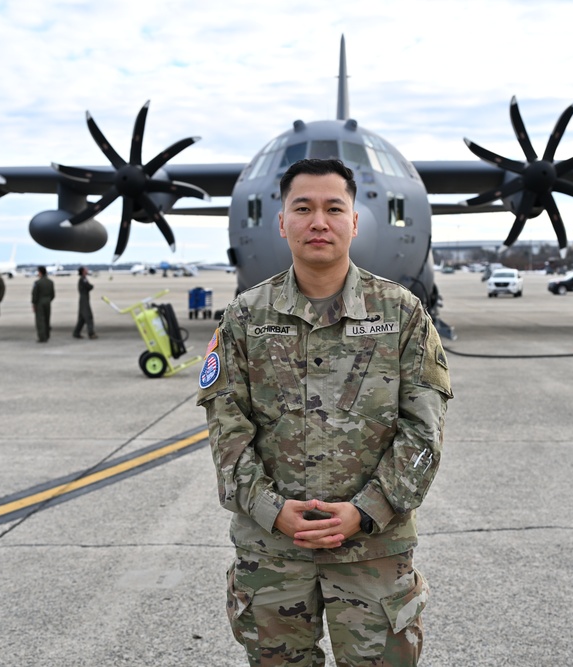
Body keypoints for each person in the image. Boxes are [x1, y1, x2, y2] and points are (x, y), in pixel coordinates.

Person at [196, 158, 452, 666]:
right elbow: (226, 431)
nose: (319, 221)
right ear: (282, 222)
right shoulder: (245, 317)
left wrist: (365, 512)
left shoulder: (402, 314)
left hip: (373, 552)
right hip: (273, 551)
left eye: (334, 208)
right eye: (303, 208)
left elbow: (424, 434)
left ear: (354, 221)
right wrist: (274, 511)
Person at [72, 266, 97, 339]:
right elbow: (89, 287)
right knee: (88, 317)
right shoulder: (83, 279)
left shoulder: (83, 279)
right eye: (86, 269)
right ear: (83, 271)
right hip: (84, 300)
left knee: (82, 319)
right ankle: (91, 333)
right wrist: (92, 286)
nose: (87, 270)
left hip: (83, 299)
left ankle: (76, 333)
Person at [31, 266, 55, 343]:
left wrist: (34, 304)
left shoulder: (37, 283)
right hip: (48, 302)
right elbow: (53, 295)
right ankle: (47, 335)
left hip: (39, 303)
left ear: (40, 272)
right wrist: (48, 300)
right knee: (47, 320)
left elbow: (34, 295)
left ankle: (42, 337)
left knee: (40, 321)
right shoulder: (50, 282)